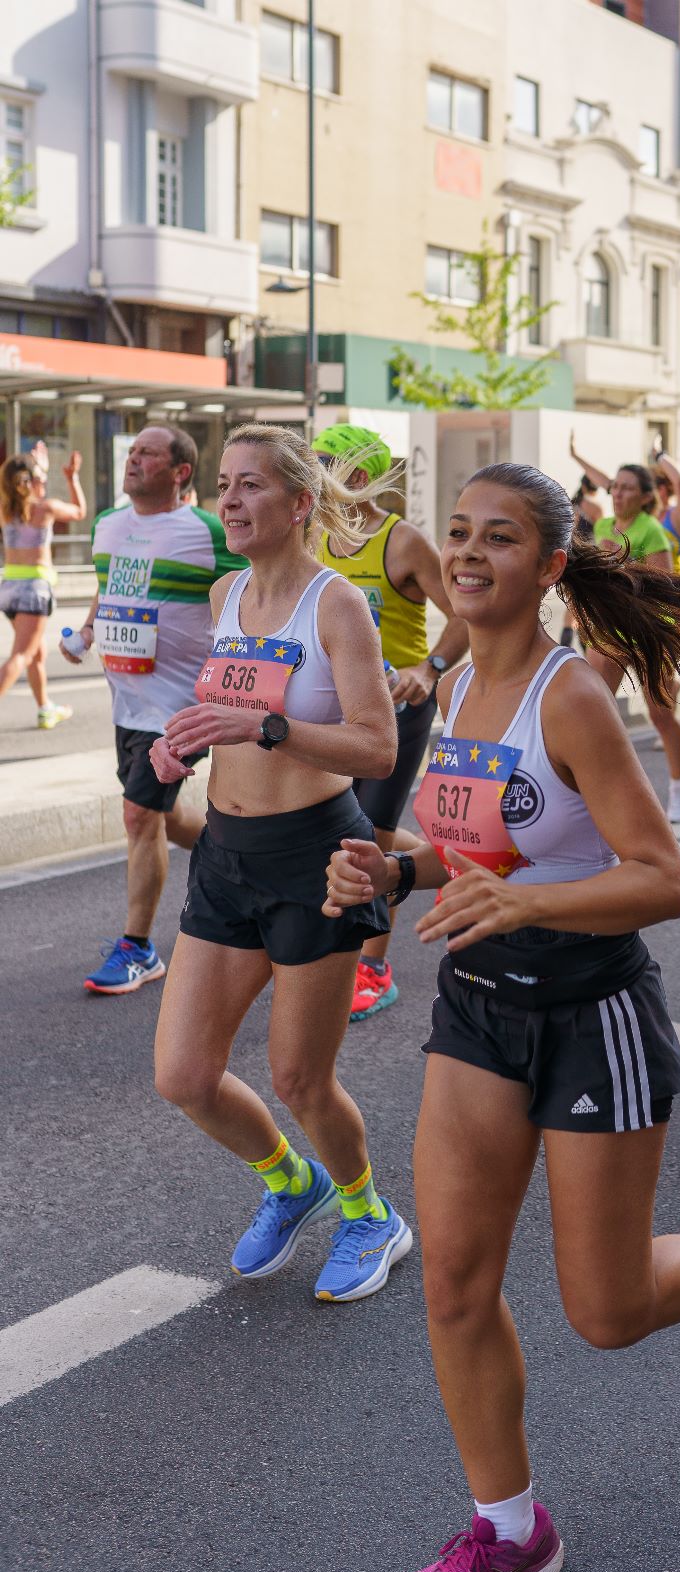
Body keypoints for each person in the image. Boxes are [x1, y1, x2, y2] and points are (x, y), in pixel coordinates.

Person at [321, 461, 680, 1572]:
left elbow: (661, 880)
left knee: (604, 1312)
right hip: (476, 1009)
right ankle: (509, 1530)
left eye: (496, 538)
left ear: (548, 566)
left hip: (589, 1010)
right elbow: (464, 854)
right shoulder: (449, 688)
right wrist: (392, 867)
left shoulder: (570, 697)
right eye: (456, 532)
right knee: (452, 1279)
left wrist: (529, 901)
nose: (465, 553)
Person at [150, 423, 411, 1302]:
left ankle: (371, 1213)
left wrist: (267, 729)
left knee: (302, 1077)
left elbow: (377, 747)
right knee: (184, 1074)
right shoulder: (226, 596)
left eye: (251, 484)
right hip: (227, 856)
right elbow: (224, 712)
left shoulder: (335, 605)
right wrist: (180, 743)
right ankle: (288, 1182)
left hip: (316, 859)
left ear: (300, 503)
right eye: (224, 483)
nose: (229, 499)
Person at [61, 424, 245, 995]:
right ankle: (247, 865)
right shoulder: (107, 525)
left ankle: (138, 948)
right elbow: (109, 585)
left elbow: (251, 590)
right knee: (157, 815)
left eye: (148, 453)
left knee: (139, 816)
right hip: (126, 700)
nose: (134, 460)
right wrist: (88, 629)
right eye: (132, 452)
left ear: (180, 471)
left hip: (180, 706)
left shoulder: (206, 531)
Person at [312, 423, 469, 1021]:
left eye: (323, 463)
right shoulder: (316, 537)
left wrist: (428, 669)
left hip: (397, 705)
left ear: (355, 475)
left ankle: (374, 968)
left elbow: (461, 616)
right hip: (334, 708)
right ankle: (444, 863)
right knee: (337, 823)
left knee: (371, 832)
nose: (313, 473)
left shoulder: (403, 542)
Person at [590, 463, 680, 821]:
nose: (617, 493)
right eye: (615, 487)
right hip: (610, 630)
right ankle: (599, 791)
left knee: (660, 715)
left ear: (646, 496)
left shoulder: (652, 531)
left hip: (649, 630)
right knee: (593, 711)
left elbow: (663, 590)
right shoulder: (604, 526)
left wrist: (619, 573)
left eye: (627, 488)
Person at [1, 441, 85, 728]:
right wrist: (71, 477)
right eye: (39, 477)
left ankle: (45, 708)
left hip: (9, 589)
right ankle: (44, 707)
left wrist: (38, 472)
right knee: (22, 655)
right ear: (32, 481)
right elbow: (79, 511)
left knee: (36, 651)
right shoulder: (44, 508)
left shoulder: (6, 508)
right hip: (34, 590)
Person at [652, 451, 680, 575]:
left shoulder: (676, 515)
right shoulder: (646, 517)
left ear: (662, 490)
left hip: (676, 590)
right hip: (650, 589)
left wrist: (659, 456)